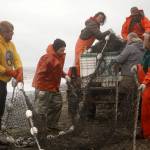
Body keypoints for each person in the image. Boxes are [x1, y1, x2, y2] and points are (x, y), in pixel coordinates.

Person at [32, 39, 69, 145]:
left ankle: (51, 125)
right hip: (43, 87)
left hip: (53, 86)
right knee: (41, 110)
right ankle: (39, 129)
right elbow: (40, 73)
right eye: (62, 49)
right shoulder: (47, 58)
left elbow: (57, 69)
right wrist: (41, 90)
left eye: (64, 49)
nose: (63, 51)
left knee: (57, 104)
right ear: (56, 49)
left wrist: (65, 75)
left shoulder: (59, 57)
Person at [114, 32, 144, 128]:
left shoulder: (130, 47)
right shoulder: (144, 47)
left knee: (123, 96)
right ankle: (138, 117)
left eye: (127, 40)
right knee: (137, 98)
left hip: (129, 76)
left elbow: (120, 59)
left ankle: (125, 118)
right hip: (141, 77)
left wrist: (114, 58)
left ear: (130, 39)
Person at [0, 21, 23, 130]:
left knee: (1, 105)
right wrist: (8, 72)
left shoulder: (11, 44)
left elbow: (16, 58)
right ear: (2, 32)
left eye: (13, 31)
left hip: (3, 82)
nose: (12, 33)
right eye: (10, 32)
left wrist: (19, 69)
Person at [74, 11, 112, 76]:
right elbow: (100, 36)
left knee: (83, 63)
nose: (101, 20)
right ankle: (79, 79)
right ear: (95, 16)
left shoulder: (94, 25)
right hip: (81, 46)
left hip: (86, 47)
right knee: (80, 63)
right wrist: (109, 31)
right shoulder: (92, 24)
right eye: (100, 18)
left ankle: (82, 78)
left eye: (102, 19)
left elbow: (99, 37)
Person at [133, 32, 150, 139]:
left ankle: (147, 134)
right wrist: (137, 66)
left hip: (148, 86)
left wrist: (144, 82)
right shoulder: (147, 53)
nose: (143, 41)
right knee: (144, 111)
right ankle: (145, 131)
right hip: (146, 86)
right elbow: (144, 66)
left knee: (147, 111)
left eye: (145, 40)